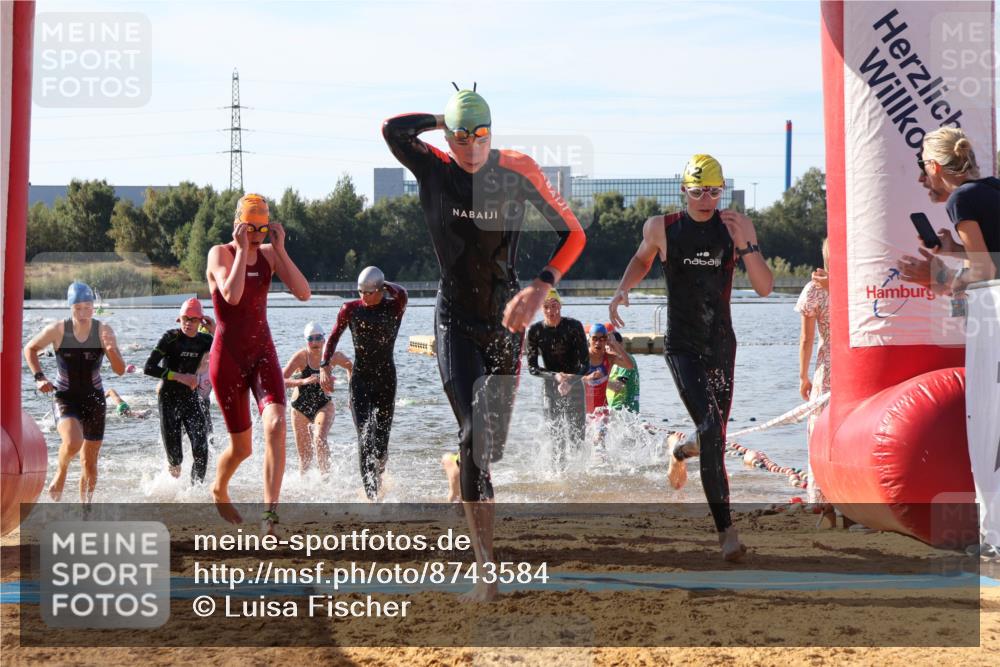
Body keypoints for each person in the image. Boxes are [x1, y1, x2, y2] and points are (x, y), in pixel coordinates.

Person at [383, 85, 586, 601]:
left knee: (487, 448)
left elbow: (574, 234)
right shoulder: (432, 167)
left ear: (492, 133)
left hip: (505, 324)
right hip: (454, 320)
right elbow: (392, 129)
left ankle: (458, 470)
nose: (471, 147)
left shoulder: (516, 170)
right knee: (475, 434)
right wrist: (444, 117)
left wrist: (539, 288)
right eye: (460, 137)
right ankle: (485, 570)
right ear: (448, 137)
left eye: (480, 136)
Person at [609, 154, 773, 562]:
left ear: (723, 190)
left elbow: (765, 287)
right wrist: (622, 288)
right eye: (697, 191)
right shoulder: (662, 227)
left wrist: (748, 243)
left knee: (713, 435)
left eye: (713, 192)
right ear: (683, 190)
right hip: (682, 347)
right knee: (712, 431)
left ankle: (681, 451)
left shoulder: (734, 227)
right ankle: (727, 533)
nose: (705, 200)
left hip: (722, 345)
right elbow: (642, 259)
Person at [206, 193, 311, 531]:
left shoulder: (269, 253)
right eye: (250, 228)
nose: (256, 236)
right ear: (238, 225)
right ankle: (219, 488)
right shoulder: (220, 253)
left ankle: (269, 518)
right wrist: (241, 251)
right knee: (242, 449)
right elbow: (232, 295)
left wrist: (280, 250)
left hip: (262, 352)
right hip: (228, 359)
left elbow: (304, 293)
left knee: (277, 425)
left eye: (262, 229)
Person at [23, 281, 126, 503]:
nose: (83, 313)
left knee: (90, 464)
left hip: (94, 400)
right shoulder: (58, 329)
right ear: (70, 307)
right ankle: (61, 472)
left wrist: (110, 350)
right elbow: (30, 348)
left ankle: (85, 510)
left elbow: (120, 371)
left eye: (88, 307)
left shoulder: (104, 330)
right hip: (65, 397)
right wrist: (39, 377)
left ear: (94, 307)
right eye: (78, 308)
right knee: (72, 442)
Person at [321, 268, 406, 500]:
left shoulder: (394, 307)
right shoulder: (350, 309)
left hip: (386, 381)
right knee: (365, 437)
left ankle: (379, 472)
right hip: (360, 380)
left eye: (369, 292)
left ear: (381, 290)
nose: (364, 297)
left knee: (380, 446)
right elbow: (333, 337)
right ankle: (371, 496)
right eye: (360, 292)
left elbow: (402, 293)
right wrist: (324, 365)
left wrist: (385, 283)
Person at [899, 127, 998, 292]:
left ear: (933, 166)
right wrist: (955, 249)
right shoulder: (993, 185)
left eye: (922, 164)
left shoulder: (961, 198)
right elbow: (994, 258)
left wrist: (941, 274)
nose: (921, 176)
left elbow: (985, 272)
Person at [143, 298, 215, 483]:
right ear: (179, 319)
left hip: (190, 398)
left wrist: (215, 331)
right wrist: (180, 377)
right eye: (185, 319)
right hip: (168, 399)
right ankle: (171, 476)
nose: (188, 323)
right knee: (176, 461)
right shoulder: (170, 338)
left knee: (201, 449)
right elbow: (148, 368)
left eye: (193, 319)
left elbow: (229, 354)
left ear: (201, 321)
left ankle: (194, 491)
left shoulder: (205, 340)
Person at [526, 289, 588, 467]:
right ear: (541, 308)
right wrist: (556, 377)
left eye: (554, 306)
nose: (550, 311)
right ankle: (558, 473)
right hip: (551, 387)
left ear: (560, 306)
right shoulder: (535, 331)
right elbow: (532, 368)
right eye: (546, 307)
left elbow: (586, 364)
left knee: (577, 437)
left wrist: (571, 381)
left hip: (575, 384)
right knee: (556, 437)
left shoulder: (574, 326)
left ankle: (579, 474)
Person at [795, 239, 833, 525]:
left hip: (828, 370)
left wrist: (803, 376)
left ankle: (824, 504)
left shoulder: (814, 290)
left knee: (820, 433)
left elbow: (806, 339)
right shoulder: (857, 287)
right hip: (856, 365)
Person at [285, 322, 351, 475]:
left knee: (319, 438)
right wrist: (303, 381)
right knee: (305, 458)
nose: (314, 342)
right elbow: (280, 380)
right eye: (310, 339)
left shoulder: (333, 356)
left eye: (318, 338)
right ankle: (303, 486)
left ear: (324, 339)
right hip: (299, 407)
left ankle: (326, 479)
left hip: (323, 404)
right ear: (306, 341)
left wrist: (352, 394)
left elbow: (351, 367)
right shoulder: (301, 357)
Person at [606, 329, 640, 414]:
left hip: (625, 410)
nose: (609, 348)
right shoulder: (609, 360)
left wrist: (599, 380)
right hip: (612, 408)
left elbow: (618, 386)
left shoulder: (625, 361)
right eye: (606, 345)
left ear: (620, 344)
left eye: (612, 345)